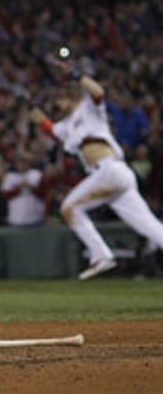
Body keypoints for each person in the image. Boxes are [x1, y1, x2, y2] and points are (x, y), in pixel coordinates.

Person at [29, 73, 163, 279]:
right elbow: (51, 129)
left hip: (110, 170)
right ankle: (101, 254)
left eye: (59, 99)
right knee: (149, 226)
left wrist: (75, 75)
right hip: (113, 177)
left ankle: (101, 255)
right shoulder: (66, 125)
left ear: (71, 96)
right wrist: (32, 111)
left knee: (69, 208)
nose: (56, 105)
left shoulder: (88, 108)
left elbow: (98, 92)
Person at [1, 153, 44, 226]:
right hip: (15, 218)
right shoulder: (10, 177)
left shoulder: (37, 175)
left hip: (35, 217)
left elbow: (44, 194)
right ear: (15, 164)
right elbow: (5, 196)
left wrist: (31, 187)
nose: (22, 165)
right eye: (19, 162)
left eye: (24, 162)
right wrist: (19, 188)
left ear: (28, 163)